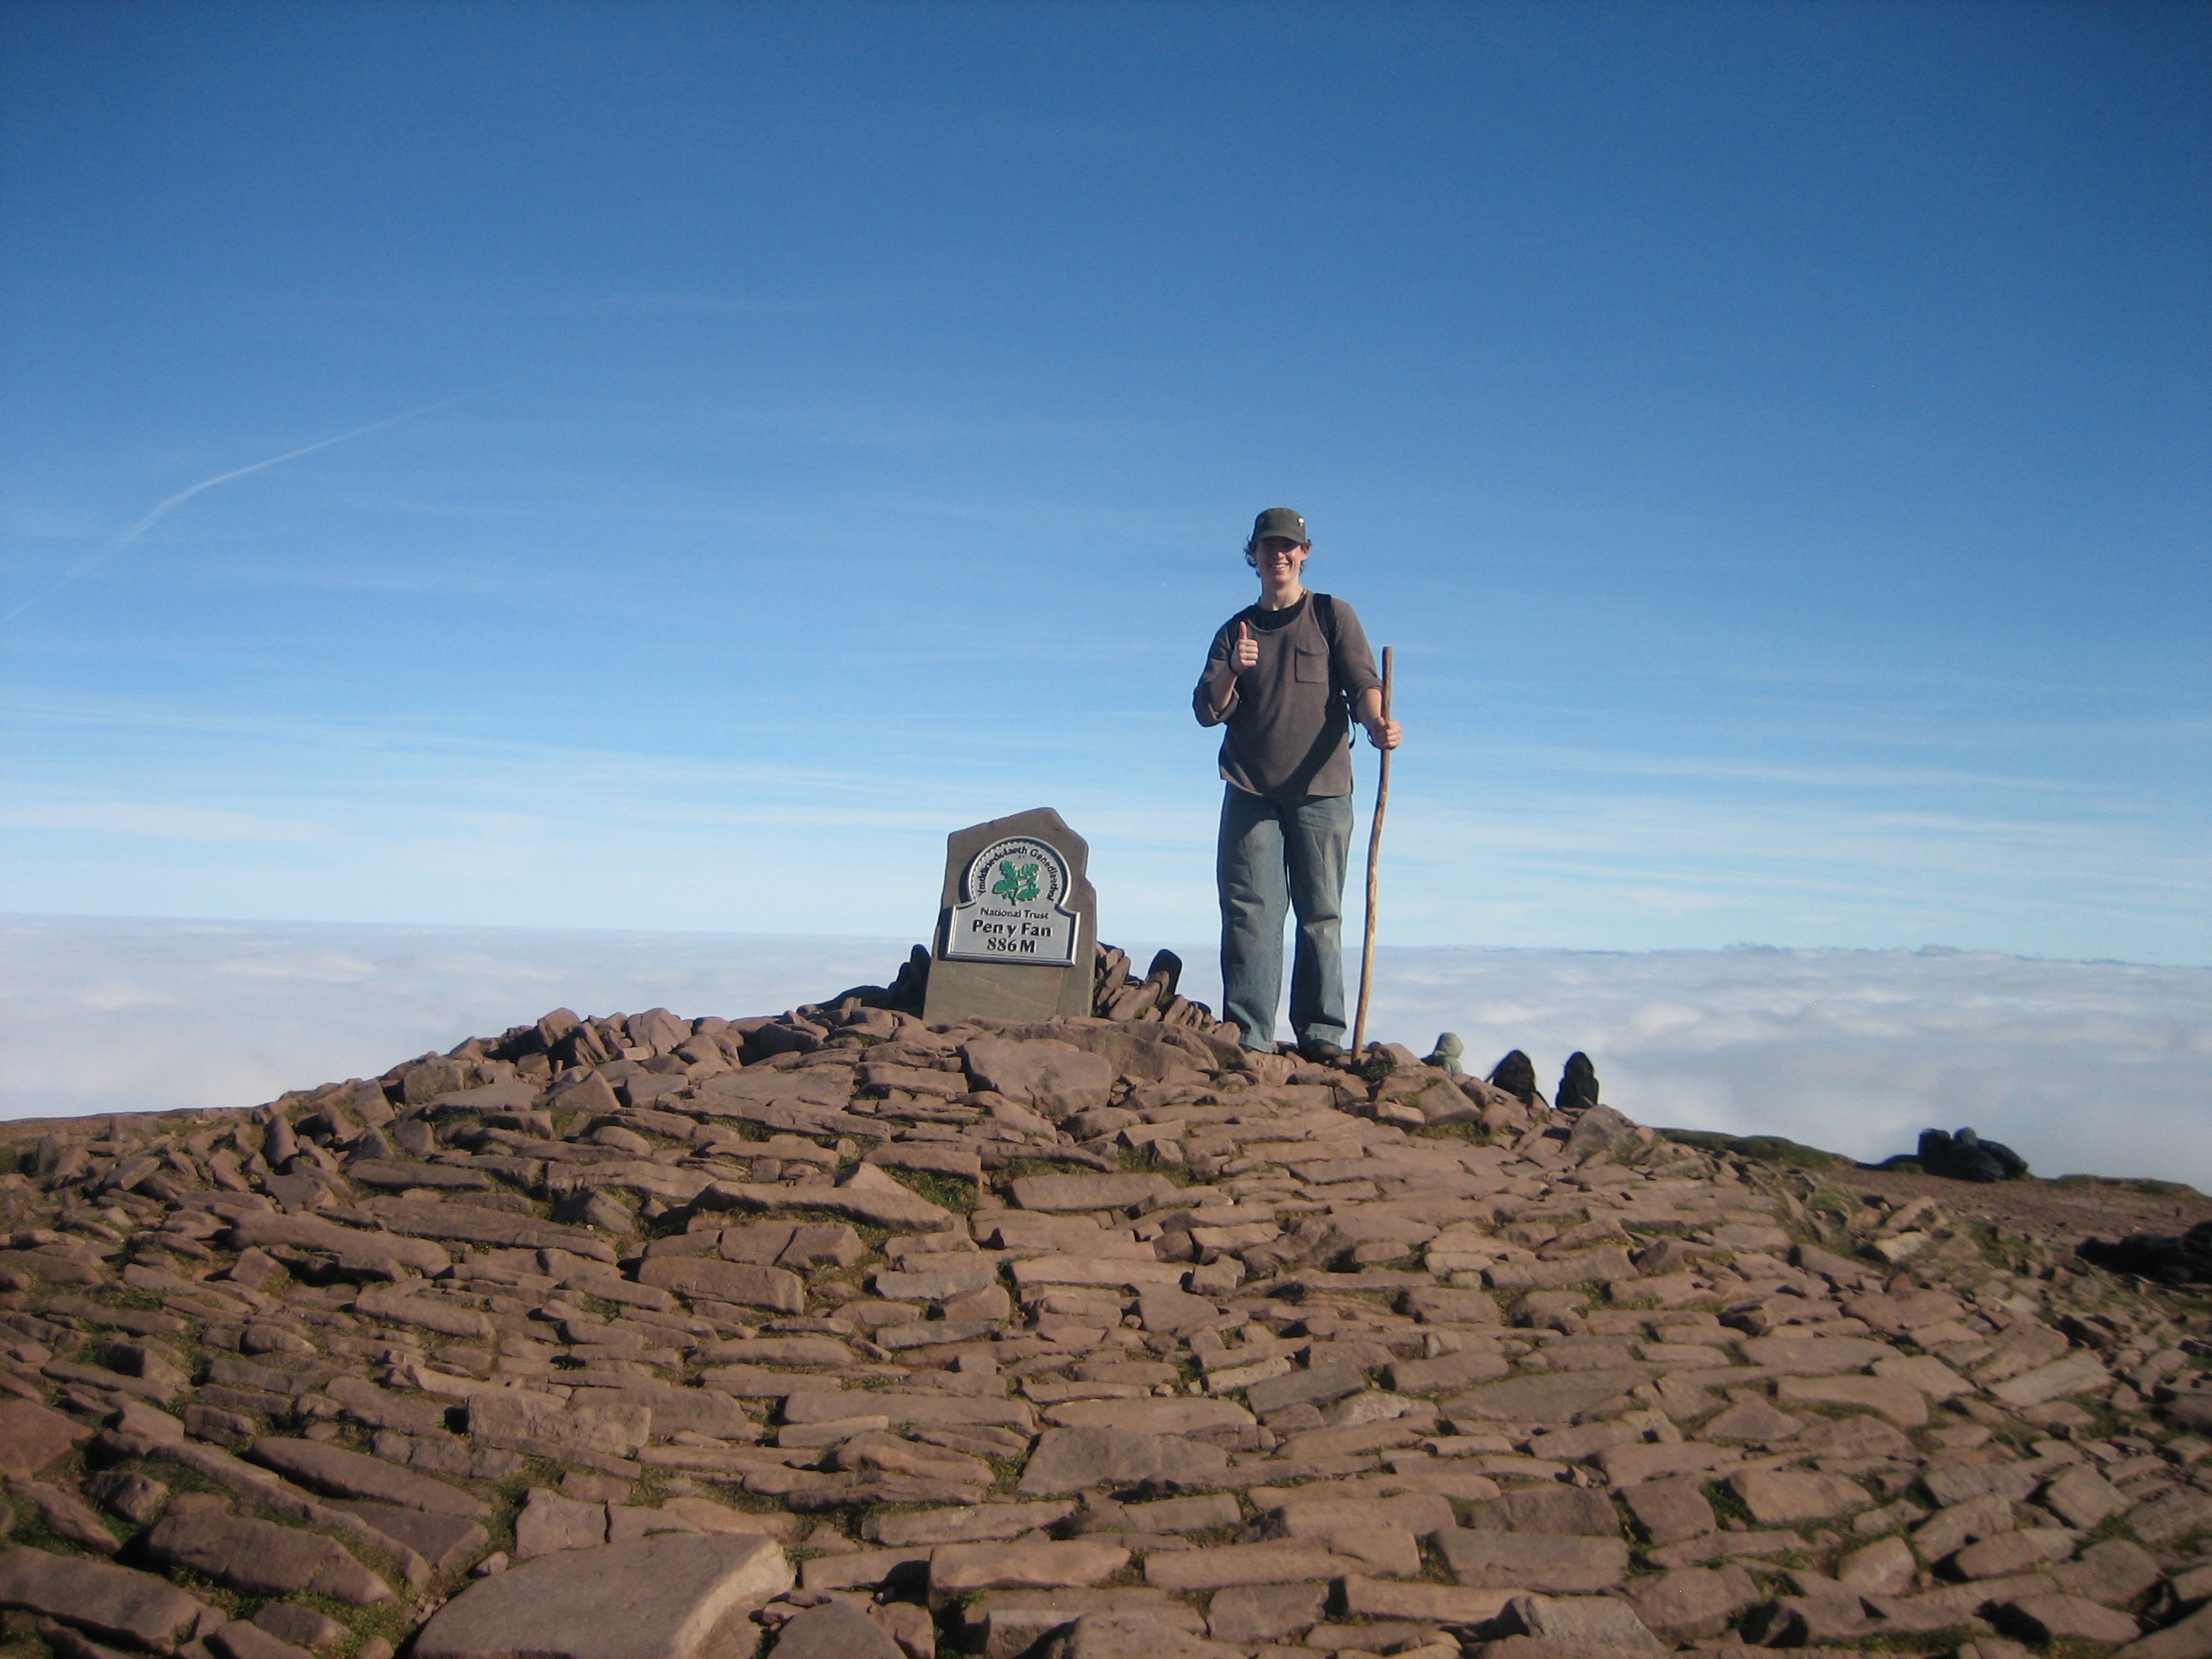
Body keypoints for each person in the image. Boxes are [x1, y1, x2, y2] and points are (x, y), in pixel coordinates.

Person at [1194, 507, 1401, 1062]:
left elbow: (1362, 683)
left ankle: (1322, 1035)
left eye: (1289, 546)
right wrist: (1234, 668)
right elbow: (1207, 711)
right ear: (1254, 556)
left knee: (1321, 914)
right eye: (1268, 546)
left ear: (1304, 553)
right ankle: (1250, 1035)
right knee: (1249, 910)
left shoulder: (1333, 615)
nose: (1279, 554)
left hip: (1322, 789)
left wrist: (1376, 723)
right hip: (1251, 790)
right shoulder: (1235, 630)